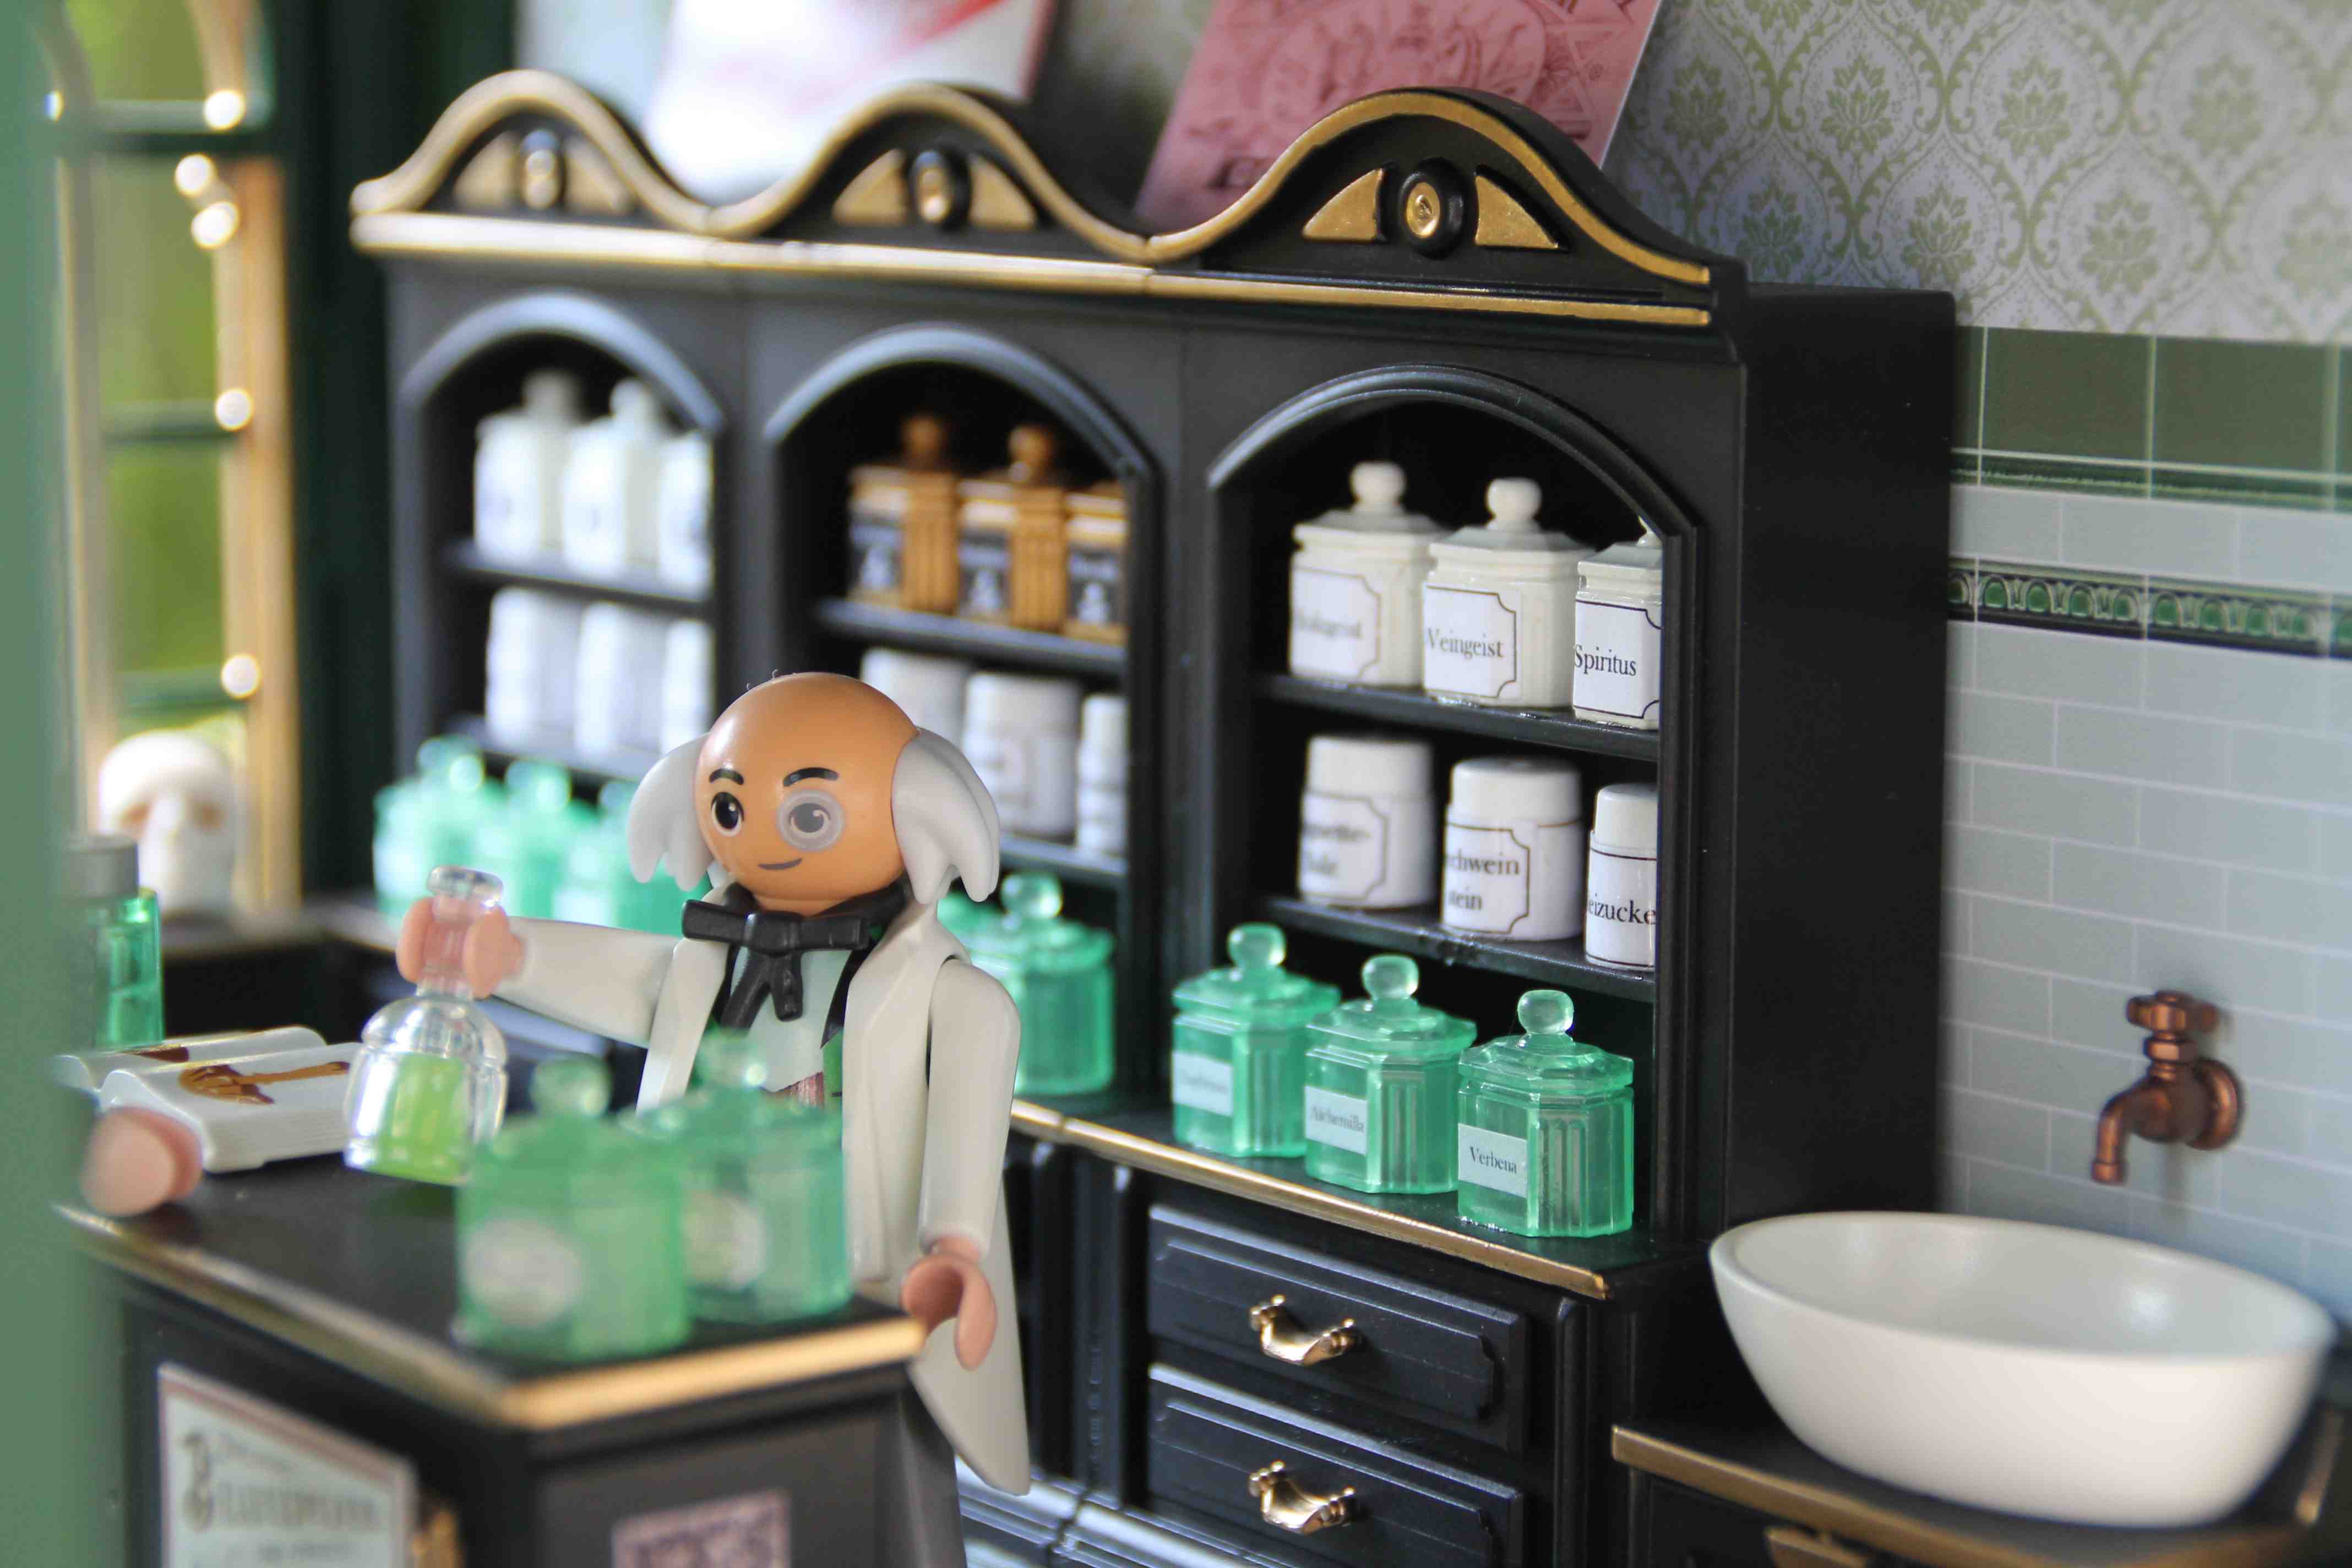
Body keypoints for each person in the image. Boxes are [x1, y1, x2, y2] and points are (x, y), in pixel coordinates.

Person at [413, 672, 1025, 1557]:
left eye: (807, 815)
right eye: (733, 810)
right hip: (707, 1236)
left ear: (917, 809)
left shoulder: (957, 998)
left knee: (874, 1474)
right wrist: (506, 956)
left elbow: (967, 1125)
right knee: (711, 1463)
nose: (765, 841)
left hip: (857, 1259)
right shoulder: (710, 961)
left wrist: (955, 1246)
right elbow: (632, 980)